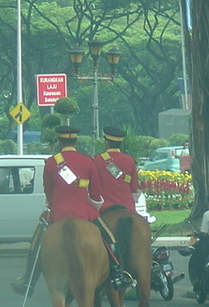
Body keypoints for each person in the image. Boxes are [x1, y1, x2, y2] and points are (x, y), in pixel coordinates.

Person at [11, 126, 104, 296]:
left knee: (35, 244)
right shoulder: (88, 161)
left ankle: (28, 281)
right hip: (84, 213)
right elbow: (96, 194)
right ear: (76, 141)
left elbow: (48, 191)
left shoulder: (52, 162)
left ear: (60, 142)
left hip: (57, 214)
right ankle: (117, 272)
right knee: (108, 239)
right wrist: (92, 207)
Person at [94, 126, 139, 212]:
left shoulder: (97, 160)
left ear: (106, 143)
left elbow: (94, 187)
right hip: (127, 207)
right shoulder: (130, 160)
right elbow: (134, 187)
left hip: (105, 208)